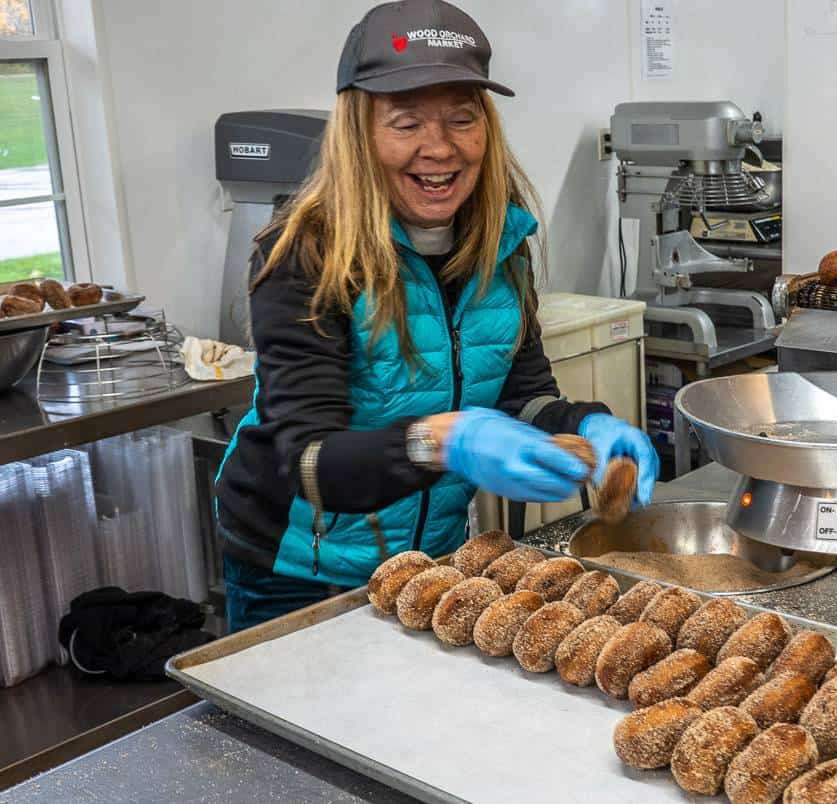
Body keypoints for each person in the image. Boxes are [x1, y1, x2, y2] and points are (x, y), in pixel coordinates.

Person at [213, 0, 657, 632]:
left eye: (461, 117)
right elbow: (310, 463)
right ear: (359, 134)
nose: (440, 148)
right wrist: (448, 440)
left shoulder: (500, 240)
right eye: (405, 122)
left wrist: (588, 425)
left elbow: (522, 395)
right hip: (298, 571)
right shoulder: (307, 251)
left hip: (432, 556)